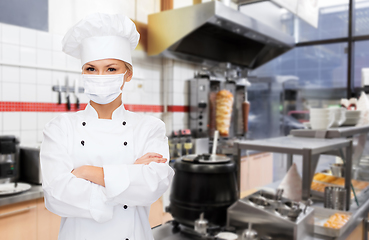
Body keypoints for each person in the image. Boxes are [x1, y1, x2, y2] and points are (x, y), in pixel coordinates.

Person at [40, 13, 174, 240]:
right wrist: (130, 175)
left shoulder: (149, 127)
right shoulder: (60, 128)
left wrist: (85, 173)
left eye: (111, 69)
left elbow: (153, 185)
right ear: (83, 73)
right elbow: (55, 196)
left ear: (128, 74)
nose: (100, 76)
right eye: (91, 69)